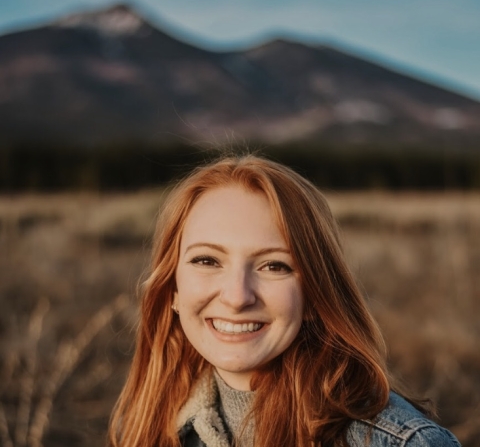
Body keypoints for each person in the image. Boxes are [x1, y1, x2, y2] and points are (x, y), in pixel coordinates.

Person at [108, 154, 461, 447]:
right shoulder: (147, 426)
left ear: (314, 296)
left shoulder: (401, 443)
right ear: (173, 290)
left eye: (275, 265)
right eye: (207, 261)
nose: (236, 297)